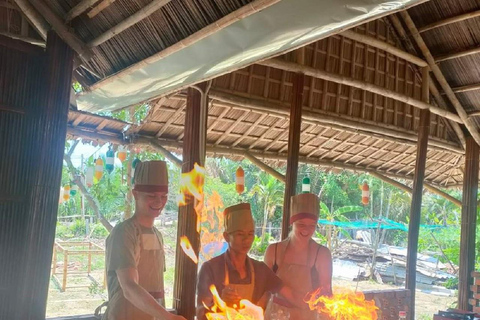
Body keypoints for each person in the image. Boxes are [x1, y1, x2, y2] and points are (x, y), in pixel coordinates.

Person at [103, 160, 185, 320]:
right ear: (135, 195)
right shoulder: (123, 233)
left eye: (163, 197)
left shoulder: (158, 235)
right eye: (152, 196)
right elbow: (129, 287)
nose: (159, 202)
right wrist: (166, 316)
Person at [196, 203, 306, 320]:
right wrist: (220, 303)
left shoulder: (260, 270)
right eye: (240, 234)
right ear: (226, 236)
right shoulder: (210, 269)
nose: (246, 239)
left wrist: (317, 303)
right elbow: (200, 314)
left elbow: (291, 295)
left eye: (250, 234)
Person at [264, 193, 332, 320]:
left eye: (312, 225)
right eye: (301, 224)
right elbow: (263, 291)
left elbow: (326, 295)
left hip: (306, 316)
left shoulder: (322, 254)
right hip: (276, 315)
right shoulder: (273, 251)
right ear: (292, 222)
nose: (306, 230)